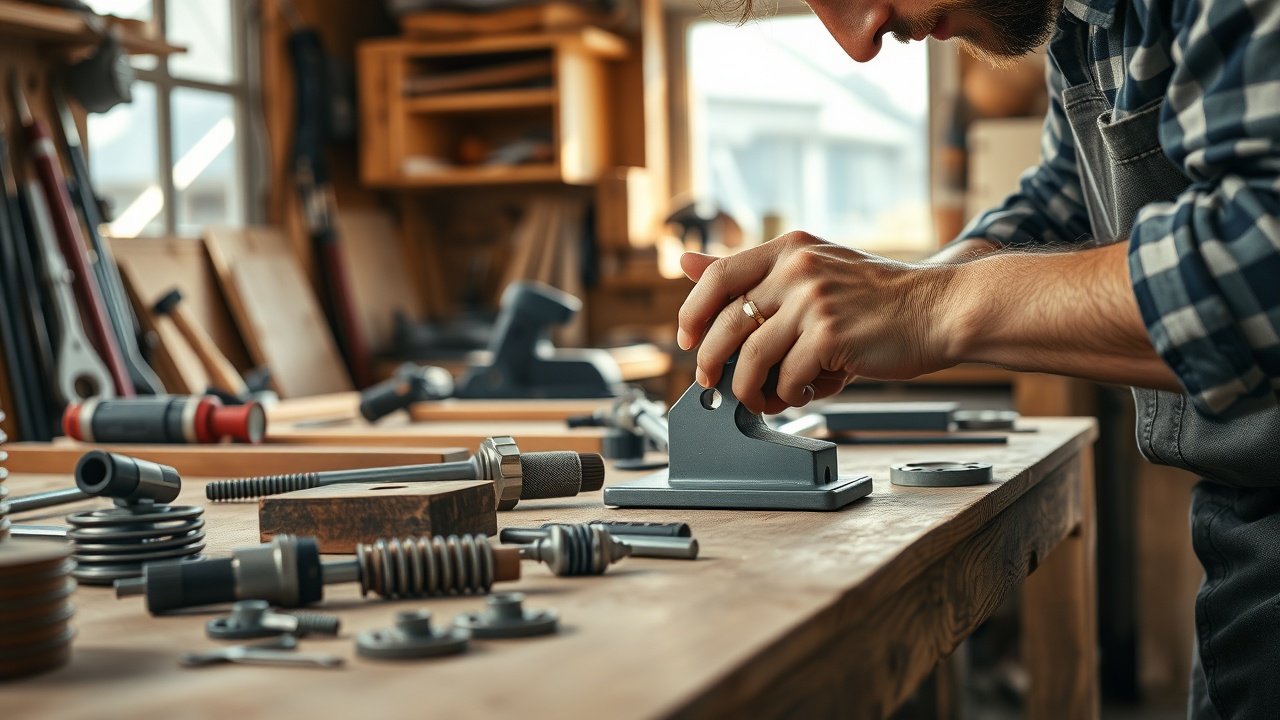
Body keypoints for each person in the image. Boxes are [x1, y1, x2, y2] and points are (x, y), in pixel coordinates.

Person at [680, 1, 1280, 717]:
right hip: (1245, 519)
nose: (859, 37)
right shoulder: (1083, 19)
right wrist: (898, 295)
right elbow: (1068, 194)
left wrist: (927, 307)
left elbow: (1260, 260)